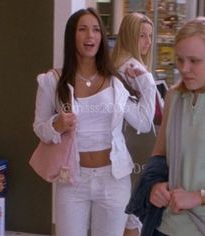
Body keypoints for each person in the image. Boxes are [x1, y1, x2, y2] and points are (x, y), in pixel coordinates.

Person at [32, 8, 156, 236]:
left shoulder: (115, 80)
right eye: (83, 29)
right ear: (72, 36)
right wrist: (57, 125)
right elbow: (40, 129)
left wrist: (146, 82)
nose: (91, 36)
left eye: (96, 30)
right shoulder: (53, 80)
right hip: (72, 181)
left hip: (113, 179)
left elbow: (143, 122)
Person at [126, 16, 205, 236]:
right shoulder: (174, 97)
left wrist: (199, 196)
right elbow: (160, 154)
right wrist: (155, 186)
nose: (184, 68)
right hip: (166, 226)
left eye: (194, 61)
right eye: (180, 60)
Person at [111, 12, 158, 236]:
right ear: (130, 36)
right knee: (132, 218)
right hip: (128, 154)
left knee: (128, 217)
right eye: (142, 36)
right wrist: (148, 83)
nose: (148, 42)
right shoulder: (131, 69)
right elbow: (145, 121)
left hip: (121, 152)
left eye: (150, 36)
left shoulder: (116, 64)